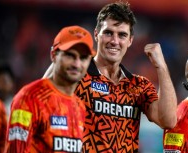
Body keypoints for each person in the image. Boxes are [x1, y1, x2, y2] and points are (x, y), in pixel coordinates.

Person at [44, 1, 177, 152]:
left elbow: (168, 121)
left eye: (122, 35)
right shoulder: (77, 74)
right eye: (108, 33)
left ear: (130, 40)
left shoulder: (139, 85)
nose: (114, 41)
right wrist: (65, 53)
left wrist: (161, 66)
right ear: (96, 34)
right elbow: (42, 99)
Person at [4, 25, 95, 152]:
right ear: (53, 55)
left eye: (83, 58)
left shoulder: (80, 107)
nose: (77, 64)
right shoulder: (29, 98)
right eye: (70, 55)